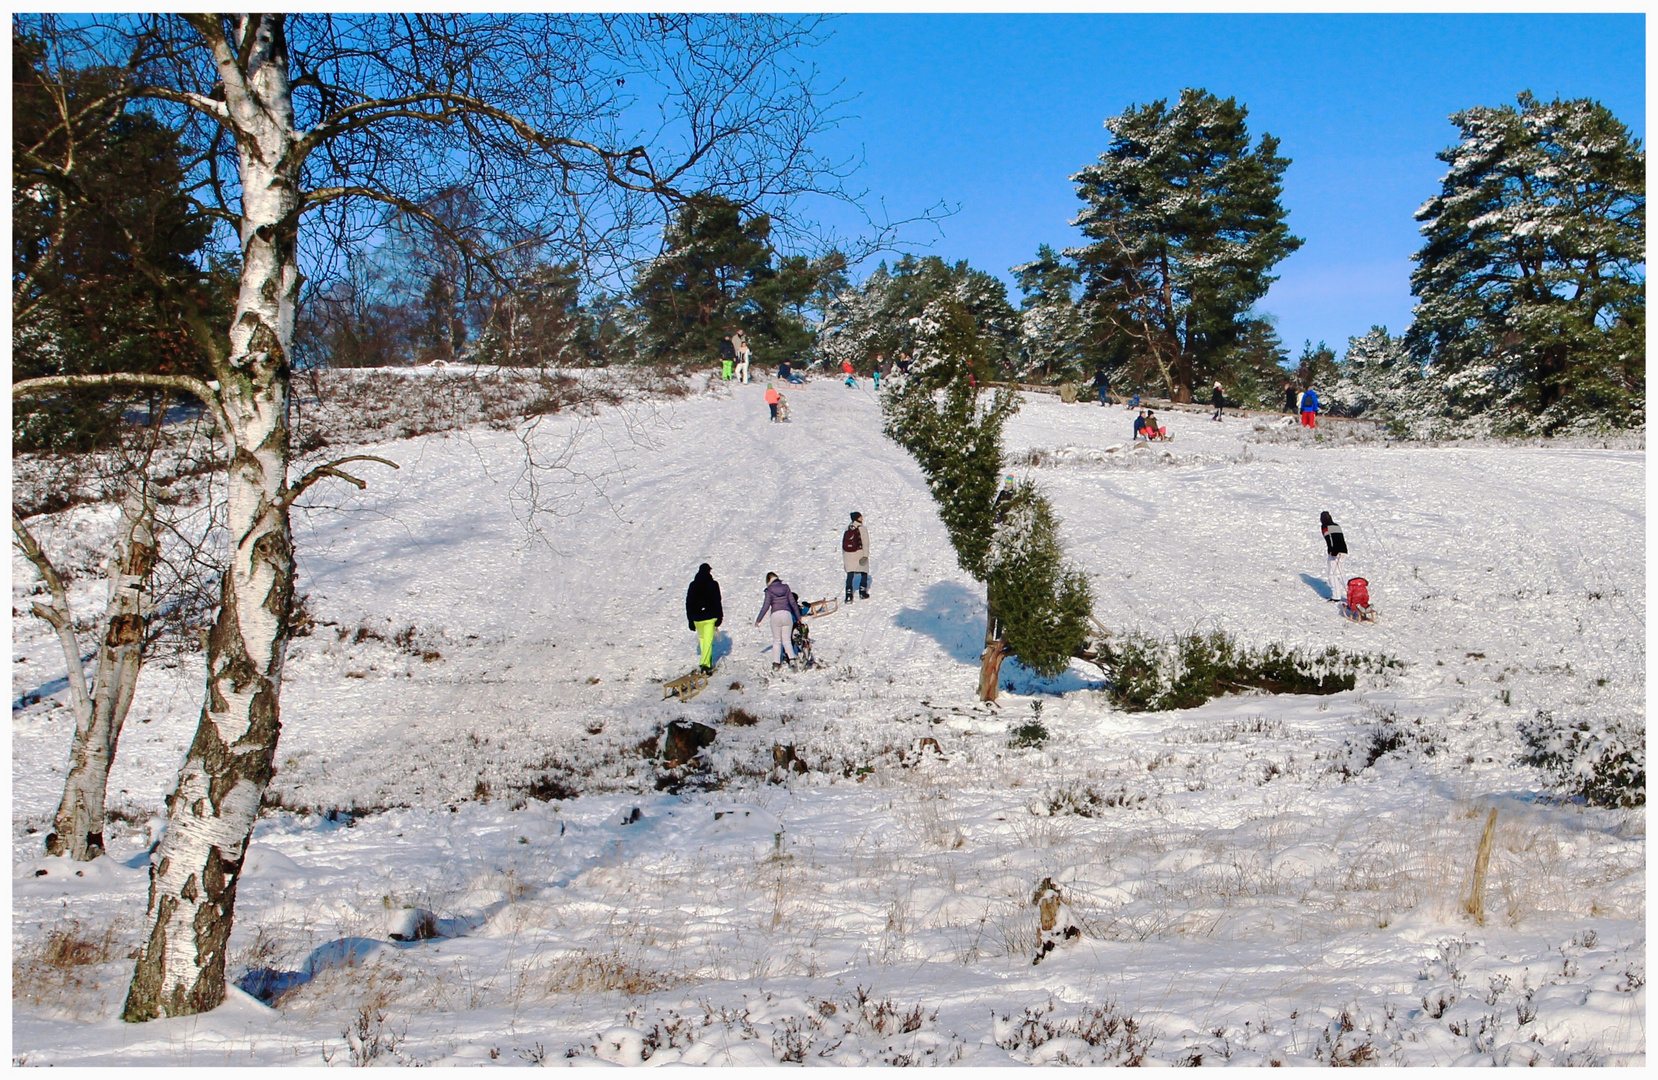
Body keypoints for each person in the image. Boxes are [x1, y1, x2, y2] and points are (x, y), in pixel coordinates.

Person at [754, 572, 801, 670]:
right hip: (787, 614)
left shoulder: (769, 590)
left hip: (775, 616)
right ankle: (792, 659)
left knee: (777, 640)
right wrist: (798, 616)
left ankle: (776, 663)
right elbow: (792, 602)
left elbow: (766, 606)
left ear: (768, 580)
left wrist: (758, 620)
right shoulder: (786, 587)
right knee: (787, 640)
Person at [685, 563, 723, 674]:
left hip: (697, 617)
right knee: (708, 641)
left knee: (702, 640)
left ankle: (707, 663)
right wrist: (720, 617)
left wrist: (690, 620)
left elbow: (688, 603)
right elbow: (717, 601)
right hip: (710, 617)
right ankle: (705, 665)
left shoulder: (693, 585)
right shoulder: (713, 584)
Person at [1320, 511, 1348, 603]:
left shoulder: (1325, 526)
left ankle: (1337, 596)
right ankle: (1351, 594)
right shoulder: (1336, 525)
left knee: (1333, 574)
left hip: (1335, 552)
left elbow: (1329, 538)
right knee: (1340, 573)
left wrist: (1332, 550)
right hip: (1343, 551)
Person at [842, 511, 870, 602]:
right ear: (858, 518)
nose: (862, 518)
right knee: (864, 572)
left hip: (848, 555)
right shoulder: (862, 528)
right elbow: (865, 542)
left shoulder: (847, 528)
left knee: (850, 574)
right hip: (859, 553)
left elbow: (843, 544)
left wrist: (844, 556)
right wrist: (865, 555)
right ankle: (862, 592)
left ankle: (848, 595)